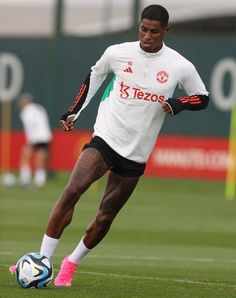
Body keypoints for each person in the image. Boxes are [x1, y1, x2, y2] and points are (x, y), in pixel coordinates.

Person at [9, 5, 209, 286]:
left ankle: (71, 263)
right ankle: (42, 260)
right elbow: (93, 76)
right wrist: (74, 111)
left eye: (154, 31)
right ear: (139, 26)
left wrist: (178, 103)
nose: (147, 36)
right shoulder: (118, 52)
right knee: (72, 190)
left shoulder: (179, 65)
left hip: (137, 151)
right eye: (143, 29)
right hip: (106, 138)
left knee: (104, 217)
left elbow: (202, 97)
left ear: (166, 31)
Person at [18, 93, 52, 187]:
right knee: (40, 159)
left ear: (24, 102)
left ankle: (25, 179)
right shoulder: (39, 108)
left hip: (36, 137)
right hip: (45, 136)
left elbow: (31, 126)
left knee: (25, 155)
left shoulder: (26, 111)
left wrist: (31, 141)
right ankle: (39, 181)